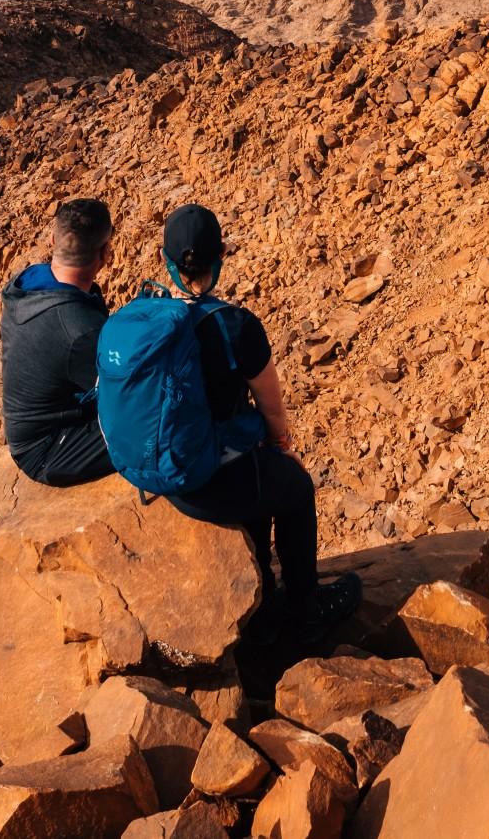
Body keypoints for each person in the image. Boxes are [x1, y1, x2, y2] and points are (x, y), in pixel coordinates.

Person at [151, 203, 362, 646]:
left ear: (165, 262)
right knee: (295, 487)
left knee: (260, 473)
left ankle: (262, 591)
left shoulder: (146, 319)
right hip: (207, 480)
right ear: (221, 256)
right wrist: (283, 444)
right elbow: (271, 406)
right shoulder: (236, 325)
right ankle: (305, 610)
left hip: (161, 475)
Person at [0, 197, 118, 486]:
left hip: (35, 425)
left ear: (52, 239)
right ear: (105, 253)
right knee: (154, 425)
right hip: (47, 450)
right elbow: (126, 392)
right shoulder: (78, 329)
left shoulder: (28, 283)